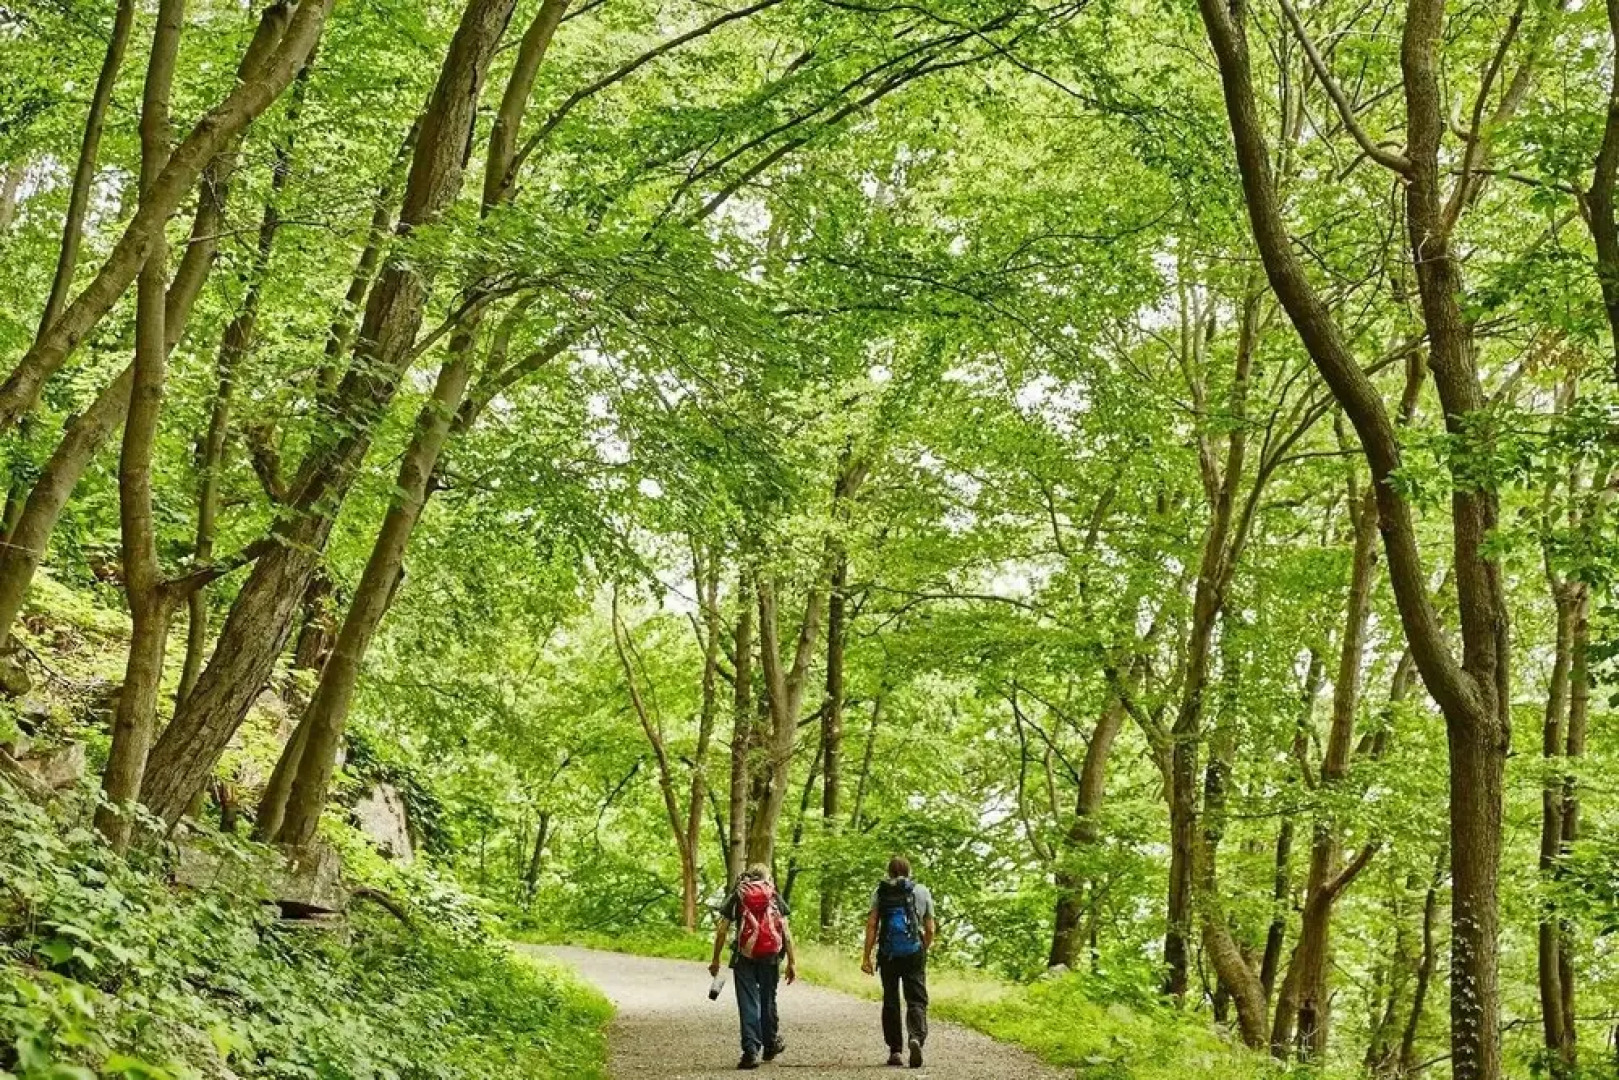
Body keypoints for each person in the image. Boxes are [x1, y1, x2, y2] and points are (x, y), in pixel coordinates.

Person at [710, 863, 797, 1070]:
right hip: (770, 957)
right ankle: (770, 1043)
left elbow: (722, 930)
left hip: (744, 958)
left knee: (748, 1002)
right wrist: (792, 961)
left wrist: (716, 959)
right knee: (767, 1000)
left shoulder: (739, 895)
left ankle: (751, 1051)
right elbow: (785, 931)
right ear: (767, 878)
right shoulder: (773, 895)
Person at [861, 855, 935, 1068]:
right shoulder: (921, 891)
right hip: (914, 952)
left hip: (888, 953)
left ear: (889, 872)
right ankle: (916, 1037)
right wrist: (923, 947)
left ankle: (895, 1050)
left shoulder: (880, 891)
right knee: (916, 999)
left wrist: (866, 956)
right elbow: (930, 928)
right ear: (909, 871)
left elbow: (872, 924)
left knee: (891, 1000)